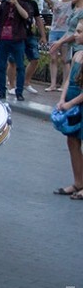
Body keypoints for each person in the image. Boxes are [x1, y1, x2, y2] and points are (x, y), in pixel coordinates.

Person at [54, 20, 83, 199]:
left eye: (79, 32)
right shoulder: (77, 54)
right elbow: (68, 80)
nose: (76, 34)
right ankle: (78, 182)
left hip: (78, 103)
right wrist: (62, 99)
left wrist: (70, 103)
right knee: (72, 141)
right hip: (72, 103)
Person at [0, 0, 30, 101]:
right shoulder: (3, 5)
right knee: (1, 66)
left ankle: (19, 92)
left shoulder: (23, 4)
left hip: (17, 39)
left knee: (20, 66)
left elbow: (26, 16)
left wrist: (16, 3)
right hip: (3, 39)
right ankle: (2, 91)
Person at [17, 0, 47, 95]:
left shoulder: (32, 3)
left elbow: (38, 19)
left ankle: (26, 82)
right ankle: (12, 84)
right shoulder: (14, 1)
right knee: (14, 61)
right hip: (16, 35)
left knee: (35, 58)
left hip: (29, 34)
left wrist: (43, 35)